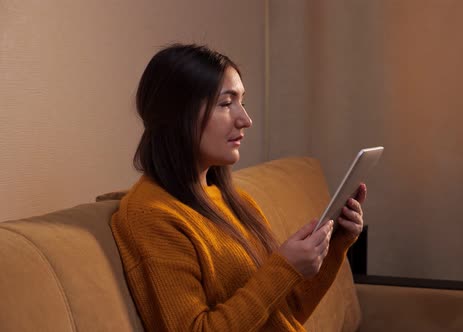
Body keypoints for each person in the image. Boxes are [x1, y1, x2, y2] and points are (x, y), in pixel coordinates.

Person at [110, 43, 367, 331]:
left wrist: (336, 245)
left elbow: (286, 315)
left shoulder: (236, 201)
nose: (245, 120)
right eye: (225, 103)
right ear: (177, 114)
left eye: (242, 102)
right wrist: (283, 268)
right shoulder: (152, 217)